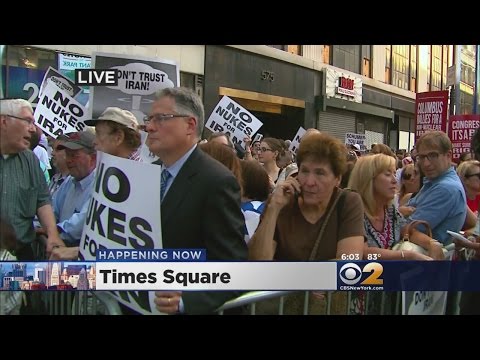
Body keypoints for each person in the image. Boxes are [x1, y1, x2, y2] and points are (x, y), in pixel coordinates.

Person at [145, 87, 248, 314]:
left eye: (161, 118)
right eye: (149, 118)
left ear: (190, 126)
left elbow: (232, 268)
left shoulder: (217, 182)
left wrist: (184, 301)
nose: (149, 127)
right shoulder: (144, 176)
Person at [249, 132, 365, 261]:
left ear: (337, 179)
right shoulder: (281, 201)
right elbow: (258, 261)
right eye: (304, 171)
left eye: (320, 173)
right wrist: (273, 209)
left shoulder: (348, 202)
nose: (309, 182)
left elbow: (348, 263)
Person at [0, 99, 64, 260]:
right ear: (4, 121)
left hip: (21, 252)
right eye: (28, 121)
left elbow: (42, 200)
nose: (33, 129)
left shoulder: (30, 160)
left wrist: (53, 235)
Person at [407, 131, 467, 244]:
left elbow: (410, 227)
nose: (426, 164)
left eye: (433, 156)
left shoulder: (446, 188)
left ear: (448, 155)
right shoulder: (436, 182)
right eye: (421, 157)